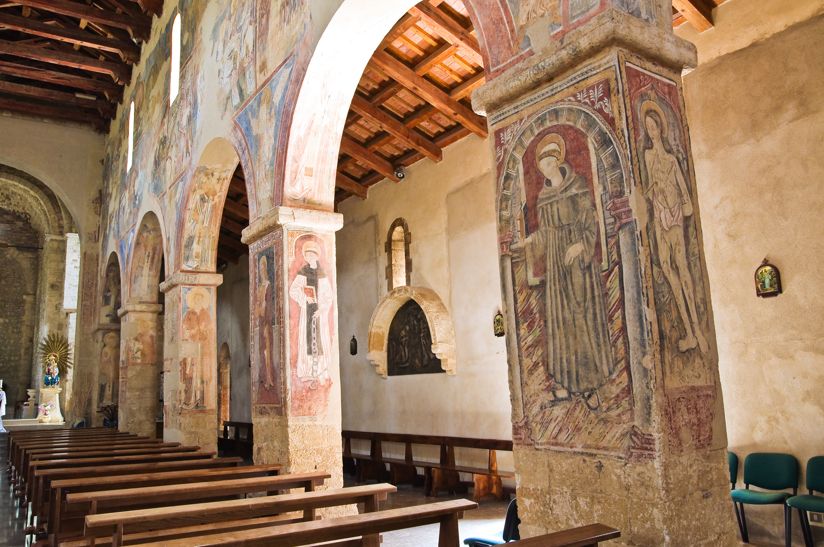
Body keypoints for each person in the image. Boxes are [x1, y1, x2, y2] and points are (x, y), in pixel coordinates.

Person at [517, 133, 613, 399]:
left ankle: (591, 381)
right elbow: (546, 232)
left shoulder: (577, 186)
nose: (546, 171)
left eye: (549, 164)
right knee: (561, 321)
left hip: (577, 261)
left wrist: (581, 245)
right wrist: (530, 241)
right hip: (556, 264)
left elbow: (589, 219)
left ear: (557, 160)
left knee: (581, 314)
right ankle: (566, 382)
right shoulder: (544, 196)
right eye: (542, 168)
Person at [641, 101, 707, 354]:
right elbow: (648, 189)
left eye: (653, 127)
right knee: (667, 267)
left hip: (674, 214)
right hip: (659, 216)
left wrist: (677, 201)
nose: (651, 132)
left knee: (683, 266)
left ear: (661, 128)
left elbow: (685, 195)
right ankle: (689, 331)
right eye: (647, 128)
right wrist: (653, 194)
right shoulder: (648, 157)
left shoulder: (671, 159)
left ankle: (697, 331)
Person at [289, 239, 333, 384]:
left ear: (316, 256)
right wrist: (304, 298)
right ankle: (308, 371)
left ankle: (320, 371)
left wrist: (322, 309)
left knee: (320, 340)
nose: (309, 257)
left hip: (320, 313)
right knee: (306, 340)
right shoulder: (303, 272)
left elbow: (329, 295)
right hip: (307, 310)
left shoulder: (322, 274)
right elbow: (293, 290)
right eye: (307, 255)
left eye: (312, 254)